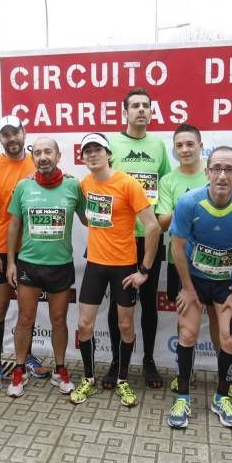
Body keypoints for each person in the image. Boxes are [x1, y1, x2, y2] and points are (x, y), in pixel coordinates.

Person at [167, 146, 232, 429]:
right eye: (216, 168)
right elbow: (178, 248)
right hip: (194, 279)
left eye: (229, 169)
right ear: (207, 172)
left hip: (227, 284)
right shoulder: (188, 203)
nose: (222, 175)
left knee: (229, 339)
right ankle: (182, 397)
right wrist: (187, 288)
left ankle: (222, 397)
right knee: (187, 334)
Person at [156, 123, 232, 401]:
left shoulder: (220, 173)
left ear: (200, 146)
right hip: (182, 263)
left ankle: (224, 380)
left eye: (190, 144)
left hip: (223, 269)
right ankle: (186, 373)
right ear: (174, 149)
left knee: (223, 327)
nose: (184, 150)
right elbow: (162, 221)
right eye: (179, 145)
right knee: (187, 326)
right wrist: (188, 204)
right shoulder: (168, 180)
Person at [73, 133, 161, 407]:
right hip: (96, 265)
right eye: (87, 151)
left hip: (124, 266)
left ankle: (123, 380)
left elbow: (153, 226)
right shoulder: (85, 183)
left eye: (97, 149)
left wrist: (144, 270)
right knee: (84, 324)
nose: (92, 154)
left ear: (108, 154)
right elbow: (88, 217)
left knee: (125, 325)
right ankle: (88, 379)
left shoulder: (128, 183)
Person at [5, 137, 86, 398]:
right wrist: (10, 263)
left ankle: (60, 369)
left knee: (59, 320)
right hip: (29, 264)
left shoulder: (74, 185)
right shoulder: (23, 186)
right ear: (33, 157)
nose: (43, 156)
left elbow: (89, 218)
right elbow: (14, 226)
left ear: (58, 155)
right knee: (25, 319)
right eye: (37, 152)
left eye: (48, 151)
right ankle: (19, 369)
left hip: (60, 265)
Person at [0, 116, 52, 391]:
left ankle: (26, 356)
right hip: (0, 248)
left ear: (24, 133)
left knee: (27, 311)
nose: (12, 138)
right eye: (6, 134)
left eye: (16, 132)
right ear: (0, 138)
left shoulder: (38, 161)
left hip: (32, 249)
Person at [107, 88, 171, 389]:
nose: (141, 110)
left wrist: (160, 222)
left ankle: (148, 360)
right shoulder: (110, 144)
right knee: (116, 304)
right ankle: (116, 363)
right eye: (135, 106)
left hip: (149, 237)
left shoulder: (158, 145)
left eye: (146, 105)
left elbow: (167, 185)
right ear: (125, 112)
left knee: (148, 302)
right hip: (118, 239)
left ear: (151, 111)